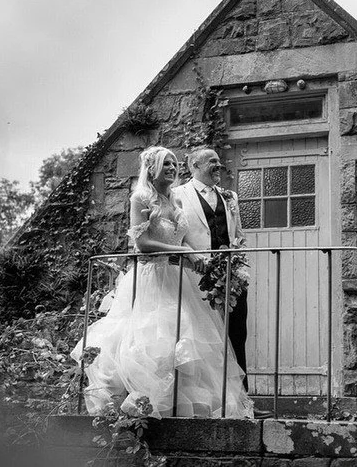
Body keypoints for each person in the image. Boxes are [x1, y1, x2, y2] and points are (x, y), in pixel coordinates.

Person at [71, 146, 253, 419]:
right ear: (151, 167)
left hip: (181, 277)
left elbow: (185, 238)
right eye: (166, 164)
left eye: (173, 164)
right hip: (151, 278)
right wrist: (186, 253)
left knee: (189, 341)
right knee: (154, 338)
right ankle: (146, 403)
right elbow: (141, 243)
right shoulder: (140, 197)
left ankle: (180, 406)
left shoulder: (174, 200)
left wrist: (199, 258)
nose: (171, 168)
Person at [171, 147, 250, 389]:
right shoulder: (177, 195)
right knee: (202, 339)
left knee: (237, 335)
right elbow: (176, 237)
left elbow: (238, 235)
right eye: (211, 161)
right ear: (194, 166)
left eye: (219, 160)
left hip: (231, 277)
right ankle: (206, 398)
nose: (218, 165)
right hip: (194, 279)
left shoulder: (230, 197)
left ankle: (242, 400)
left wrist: (238, 259)